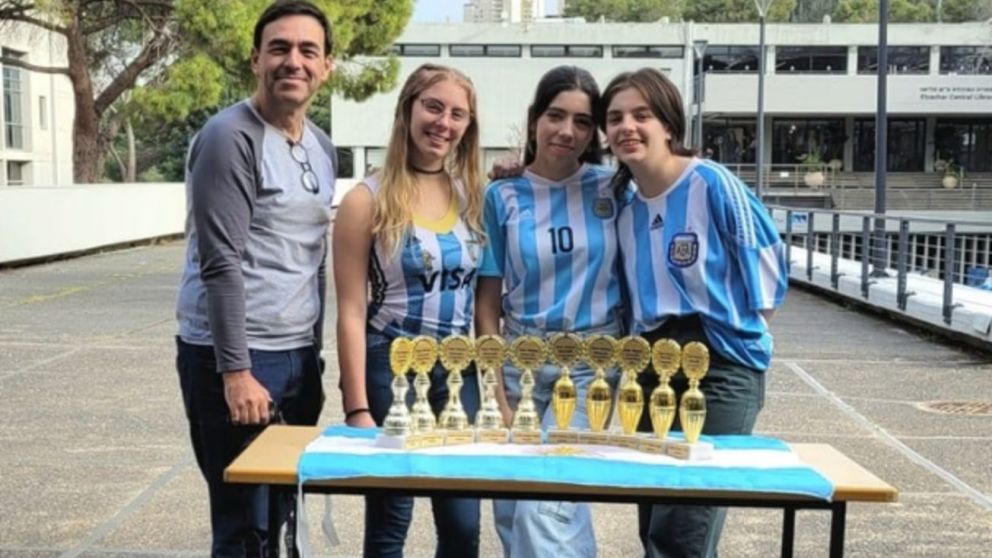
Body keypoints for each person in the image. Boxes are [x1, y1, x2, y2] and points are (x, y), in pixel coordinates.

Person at [602, 67, 788, 558]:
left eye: (642, 115)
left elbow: (768, 265)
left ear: (668, 124)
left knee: (685, 526)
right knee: (654, 516)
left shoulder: (711, 183)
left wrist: (734, 334)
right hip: (650, 367)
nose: (628, 127)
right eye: (615, 117)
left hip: (719, 365)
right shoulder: (622, 201)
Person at [173, 1, 336, 555]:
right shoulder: (230, 138)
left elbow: (311, 256)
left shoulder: (321, 145)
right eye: (280, 48)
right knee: (243, 523)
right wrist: (236, 371)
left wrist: (312, 353)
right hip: (239, 360)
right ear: (256, 60)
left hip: (295, 357)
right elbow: (220, 262)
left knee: (285, 510)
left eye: (307, 51)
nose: (294, 61)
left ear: (326, 67)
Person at [333, 63, 485, 558]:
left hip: (460, 375)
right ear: (408, 109)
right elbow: (351, 310)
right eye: (433, 107)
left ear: (468, 126)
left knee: (463, 526)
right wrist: (356, 405)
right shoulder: (365, 200)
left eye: (457, 114)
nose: (444, 122)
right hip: (391, 367)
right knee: (390, 524)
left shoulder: (473, 196)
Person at [476, 65, 624, 558]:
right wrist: (494, 388)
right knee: (514, 509)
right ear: (535, 118)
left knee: (548, 507)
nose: (567, 131)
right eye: (556, 115)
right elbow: (488, 302)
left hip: (591, 367)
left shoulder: (613, 188)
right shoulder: (501, 195)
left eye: (583, 122)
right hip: (518, 362)